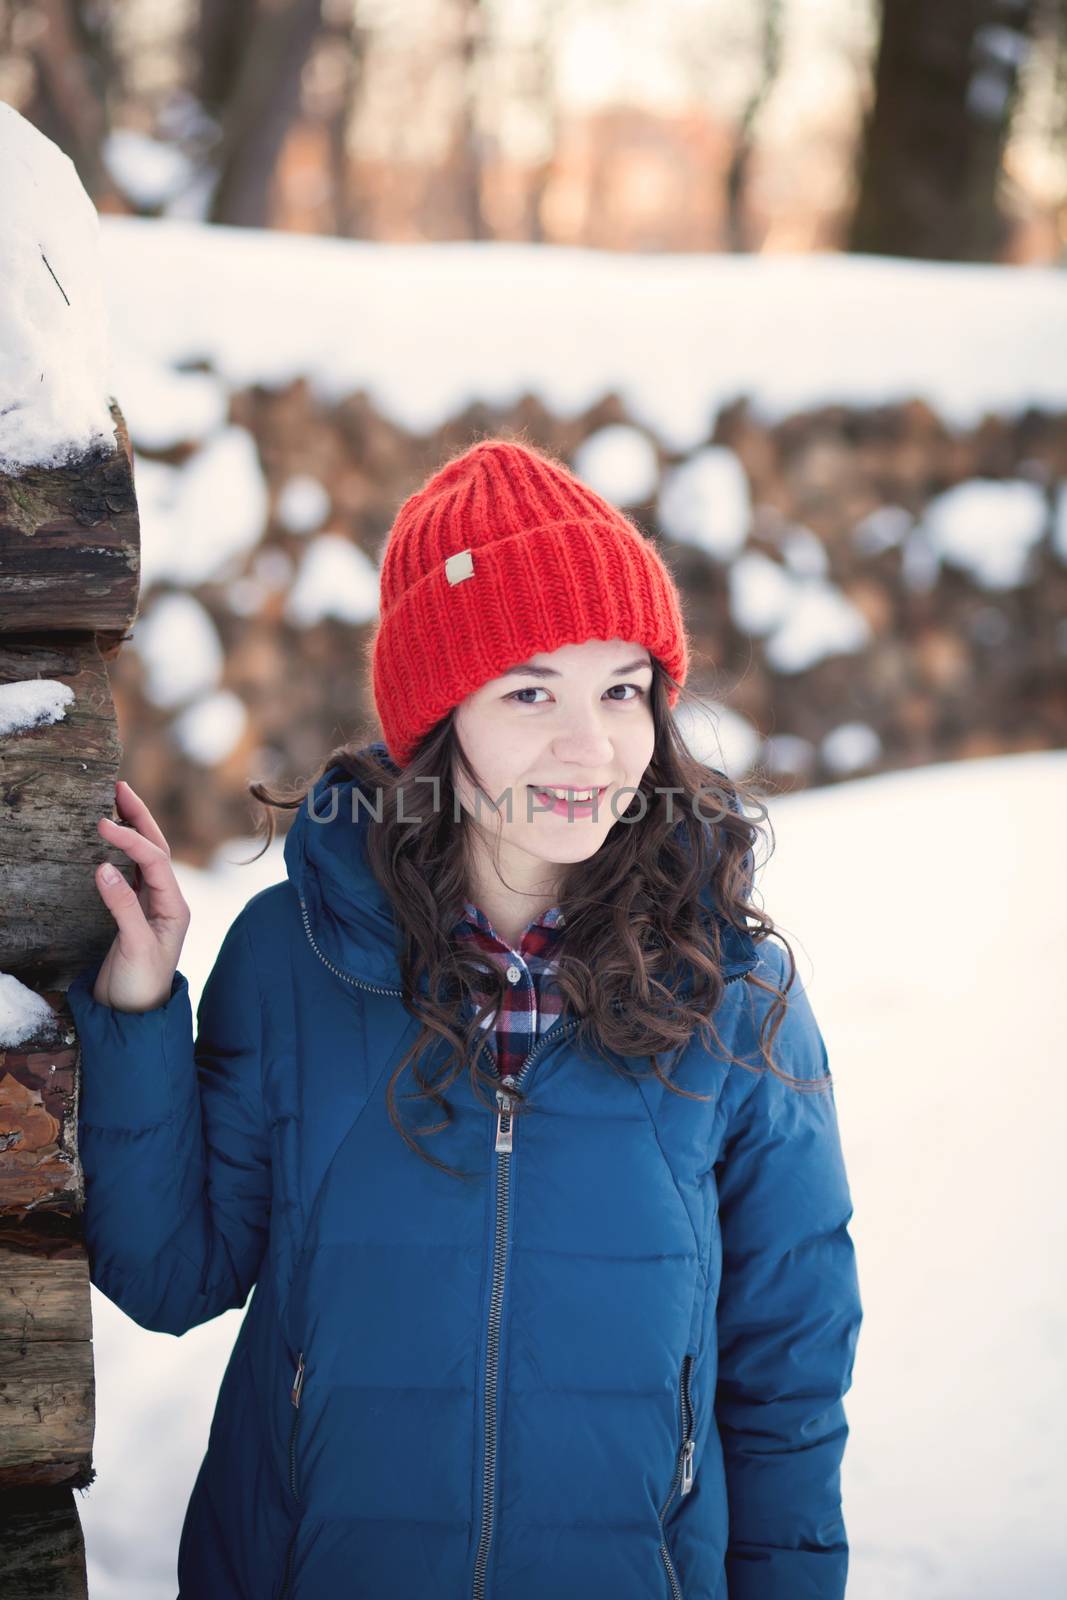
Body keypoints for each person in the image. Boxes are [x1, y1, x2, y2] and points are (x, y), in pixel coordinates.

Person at [66, 436, 863, 1600]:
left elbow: (786, 1379)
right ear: (438, 718)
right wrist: (138, 1011)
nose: (589, 745)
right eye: (530, 690)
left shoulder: (731, 1001)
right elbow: (171, 1272)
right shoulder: (298, 960)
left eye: (621, 689)